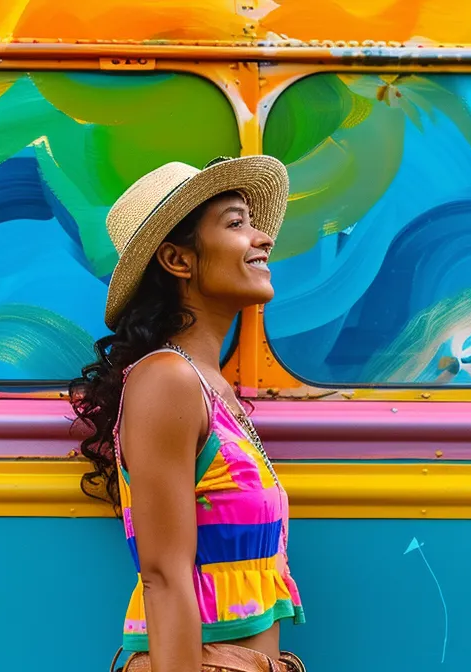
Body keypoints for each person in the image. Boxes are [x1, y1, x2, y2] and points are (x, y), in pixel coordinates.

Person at [69, 156, 306, 672]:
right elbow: (164, 575)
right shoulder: (168, 380)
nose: (264, 238)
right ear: (178, 261)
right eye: (237, 223)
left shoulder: (207, 384)